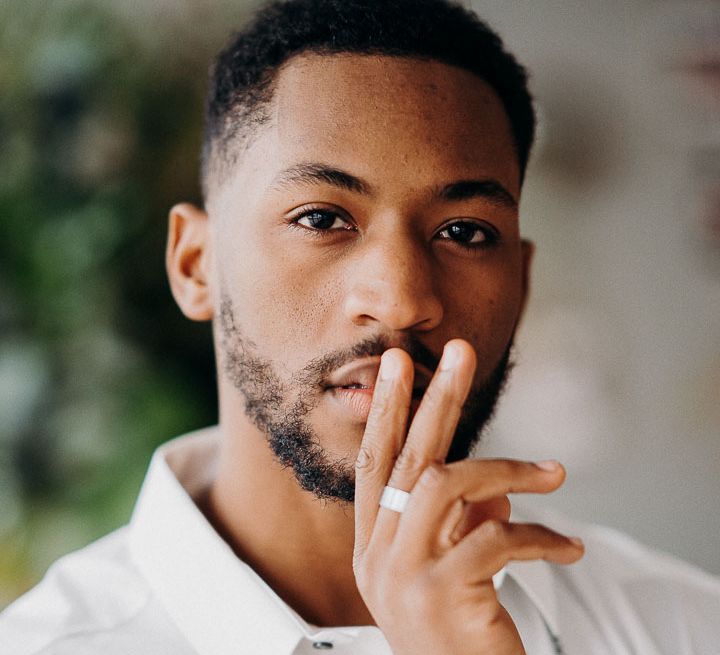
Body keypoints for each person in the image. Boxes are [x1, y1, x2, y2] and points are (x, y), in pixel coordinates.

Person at [2, 0, 719, 653]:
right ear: (196, 265)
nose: (404, 300)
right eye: (322, 219)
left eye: (465, 232)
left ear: (522, 283)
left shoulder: (683, 625)